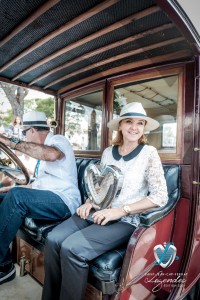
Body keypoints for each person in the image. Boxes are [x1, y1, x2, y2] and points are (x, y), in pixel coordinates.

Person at [42, 102, 168, 300]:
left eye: (140, 123)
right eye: (129, 121)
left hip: (126, 220)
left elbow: (160, 197)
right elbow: (100, 185)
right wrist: (89, 202)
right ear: (120, 125)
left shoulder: (149, 154)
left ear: (144, 128)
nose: (134, 127)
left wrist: (121, 210)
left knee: (72, 249)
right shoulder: (109, 152)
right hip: (98, 211)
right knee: (53, 239)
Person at [0, 111, 81, 285]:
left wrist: (11, 142)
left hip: (64, 201)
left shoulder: (58, 141)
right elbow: (36, 186)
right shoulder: (41, 158)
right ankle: (5, 264)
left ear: (33, 131)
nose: (24, 137)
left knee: (17, 197)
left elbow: (51, 155)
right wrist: (8, 189)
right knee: (7, 195)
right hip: (47, 199)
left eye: (24, 133)